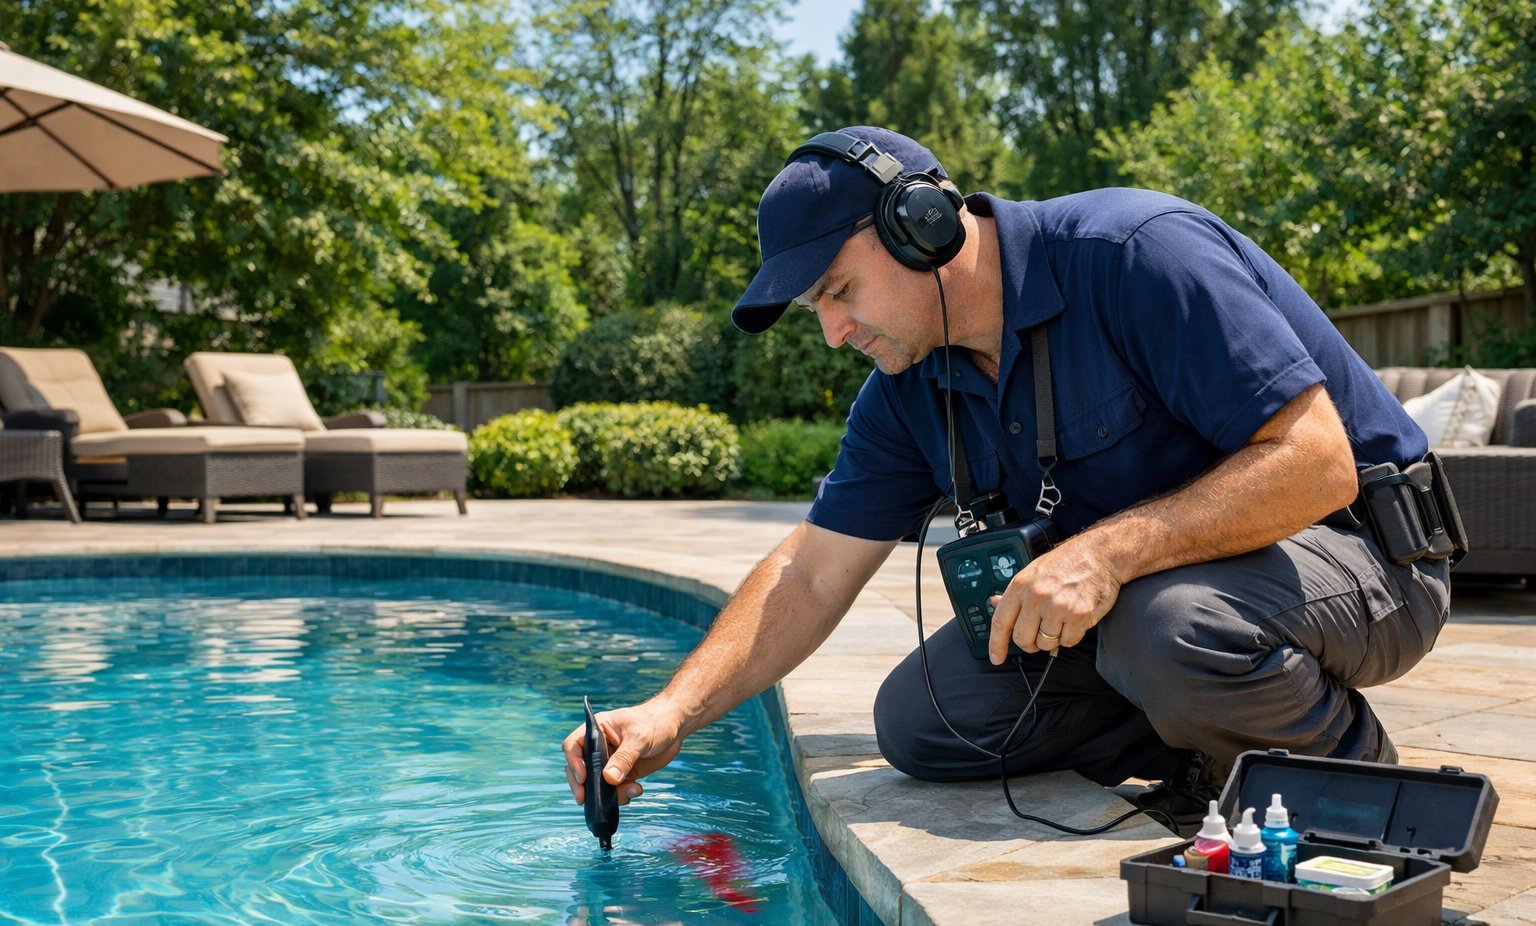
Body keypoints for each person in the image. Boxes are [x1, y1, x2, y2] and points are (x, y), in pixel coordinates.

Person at [563, 125, 1454, 834]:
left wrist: (1107, 553)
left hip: (1368, 556)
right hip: (1158, 610)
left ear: (923, 226)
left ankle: (1355, 788)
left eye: (838, 290)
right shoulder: (907, 388)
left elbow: (1316, 463)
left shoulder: (1136, 253)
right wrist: (671, 711)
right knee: (927, 718)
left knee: (1170, 626)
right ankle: (1205, 743)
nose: (833, 332)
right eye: (815, 310)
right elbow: (812, 570)